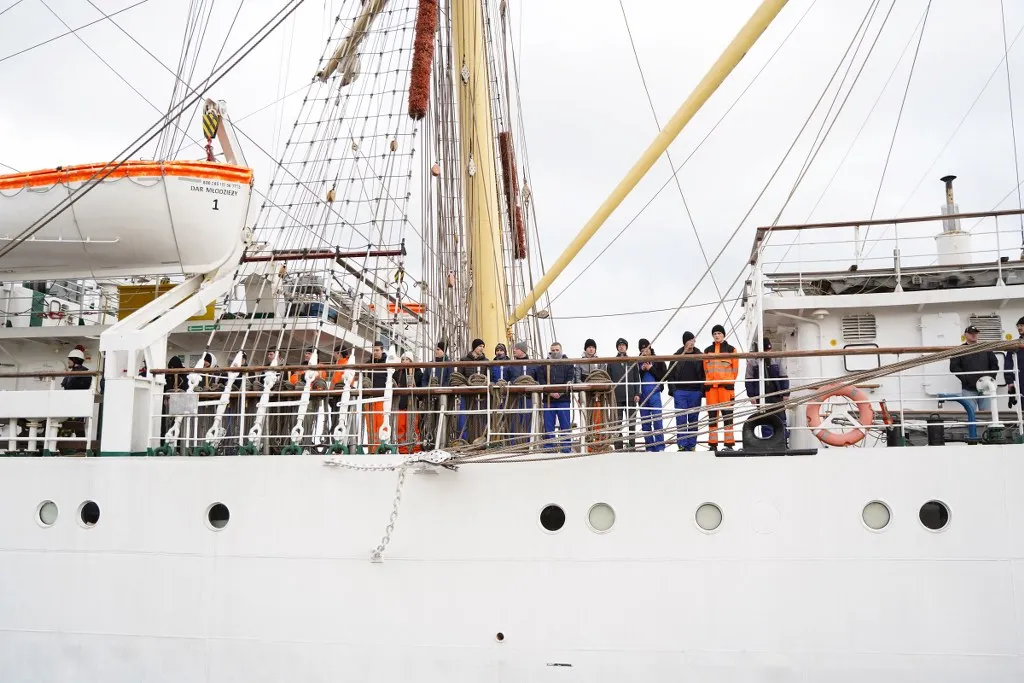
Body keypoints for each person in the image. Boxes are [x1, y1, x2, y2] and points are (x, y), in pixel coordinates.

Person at [666, 331, 704, 451]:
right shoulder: (676, 356)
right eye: (689, 340)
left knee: (693, 419)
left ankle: (691, 445)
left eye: (693, 340)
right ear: (684, 342)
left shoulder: (700, 355)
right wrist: (674, 391)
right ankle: (682, 445)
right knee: (681, 419)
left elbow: (704, 373)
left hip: (695, 392)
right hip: (680, 392)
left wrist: (701, 390)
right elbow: (670, 374)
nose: (691, 342)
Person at [949, 324, 999, 416]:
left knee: (986, 414)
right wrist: (966, 379)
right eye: (971, 333)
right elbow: (954, 367)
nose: (974, 335)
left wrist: (990, 379)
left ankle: (985, 426)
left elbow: (994, 365)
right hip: (968, 389)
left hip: (986, 387)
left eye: (975, 333)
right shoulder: (959, 350)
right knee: (971, 414)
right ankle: (973, 426)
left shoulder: (985, 348)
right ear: (965, 335)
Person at [745, 338, 790, 438]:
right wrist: (751, 395)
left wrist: (786, 393)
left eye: (768, 349)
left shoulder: (777, 359)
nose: (767, 352)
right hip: (761, 395)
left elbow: (783, 376)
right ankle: (768, 441)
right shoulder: (752, 362)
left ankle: (782, 441)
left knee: (781, 418)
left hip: (776, 394)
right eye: (765, 350)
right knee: (765, 420)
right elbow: (749, 379)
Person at [703, 324, 738, 451]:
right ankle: (713, 444)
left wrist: (728, 382)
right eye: (715, 334)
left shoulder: (731, 350)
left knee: (727, 416)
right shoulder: (707, 351)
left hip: (725, 388)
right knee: (712, 417)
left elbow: (735, 370)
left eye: (719, 333)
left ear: (724, 335)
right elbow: (705, 370)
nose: (717, 335)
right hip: (711, 388)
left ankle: (729, 444)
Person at [541, 341, 574, 452]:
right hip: (548, 400)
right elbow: (541, 380)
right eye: (553, 350)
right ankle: (549, 448)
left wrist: (559, 393)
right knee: (548, 425)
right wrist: (550, 392)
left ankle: (566, 448)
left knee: (565, 425)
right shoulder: (544, 364)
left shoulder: (568, 364)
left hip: (563, 399)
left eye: (557, 350)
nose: (555, 352)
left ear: (561, 350)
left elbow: (570, 378)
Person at [607, 337, 639, 450]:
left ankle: (632, 446)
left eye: (623, 345)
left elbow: (637, 379)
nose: (621, 347)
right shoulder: (611, 362)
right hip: (617, 397)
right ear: (617, 347)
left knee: (632, 422)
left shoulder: (632, 361)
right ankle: (618, 447)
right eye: (619, 345)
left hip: (631, 396)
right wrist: (609, 395)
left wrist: (637, 393)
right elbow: (608, 379)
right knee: (617, 423)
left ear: (626, 347)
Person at [635, 338, 666, 452]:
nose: (645, 351)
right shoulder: (636, 362)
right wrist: (642, 370)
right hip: (642, 395)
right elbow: (634, 378)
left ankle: (660, 446)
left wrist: (650, 368)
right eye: (642, 350)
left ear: (650, 348)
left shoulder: (658, 360)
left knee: (657, 419)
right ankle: (649, 447)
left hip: (655, 393)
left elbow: (663, 376)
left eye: (647, 348)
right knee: (645, 422)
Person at [393, 352, 423, 453]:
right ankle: (403, 449)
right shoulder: (397, 373)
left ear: (412, 361)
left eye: (407, 359)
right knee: (400, 427)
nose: (405, 361)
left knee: (413, 427)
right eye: (403, 359)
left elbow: (421, 389)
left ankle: (416, 449)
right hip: (400, 404)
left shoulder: (418, 373)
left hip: (413, 404)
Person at [364, 341, 388, 448]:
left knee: (382, 423)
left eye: (377, 350)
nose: (375, 352)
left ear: (382, 350)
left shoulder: (388, 364)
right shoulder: (367, 365)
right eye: (373, 350)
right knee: (370, 425)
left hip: (382, 399)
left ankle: (382, 446)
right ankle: (372, 448)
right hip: (369, 398)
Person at [1003, 316, 1024, 410]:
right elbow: (1008, 364)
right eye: (1018, 326)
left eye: (1022, 325)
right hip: (1021, 381)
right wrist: (1010, 382)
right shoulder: (1014, 345)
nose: (1019, 328)